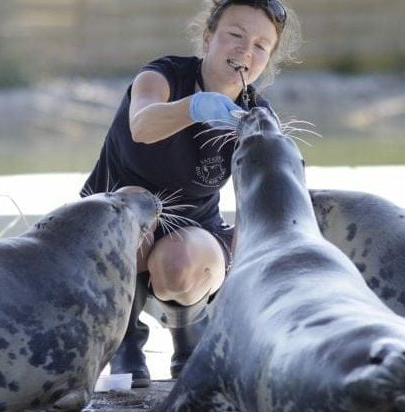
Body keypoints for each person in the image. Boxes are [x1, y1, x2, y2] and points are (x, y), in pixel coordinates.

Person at [80, 0, 301, 388]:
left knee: (180, 262)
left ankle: (190, 331)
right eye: (235, 35)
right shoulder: (162, 76)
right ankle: (124, 338)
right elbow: (142, 125)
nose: (245, 51)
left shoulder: (254, 116)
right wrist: (195, 108)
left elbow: (256, 207)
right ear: (208, 37)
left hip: (192, 233)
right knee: (134, 202)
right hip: (115, 223)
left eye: (260, 45)